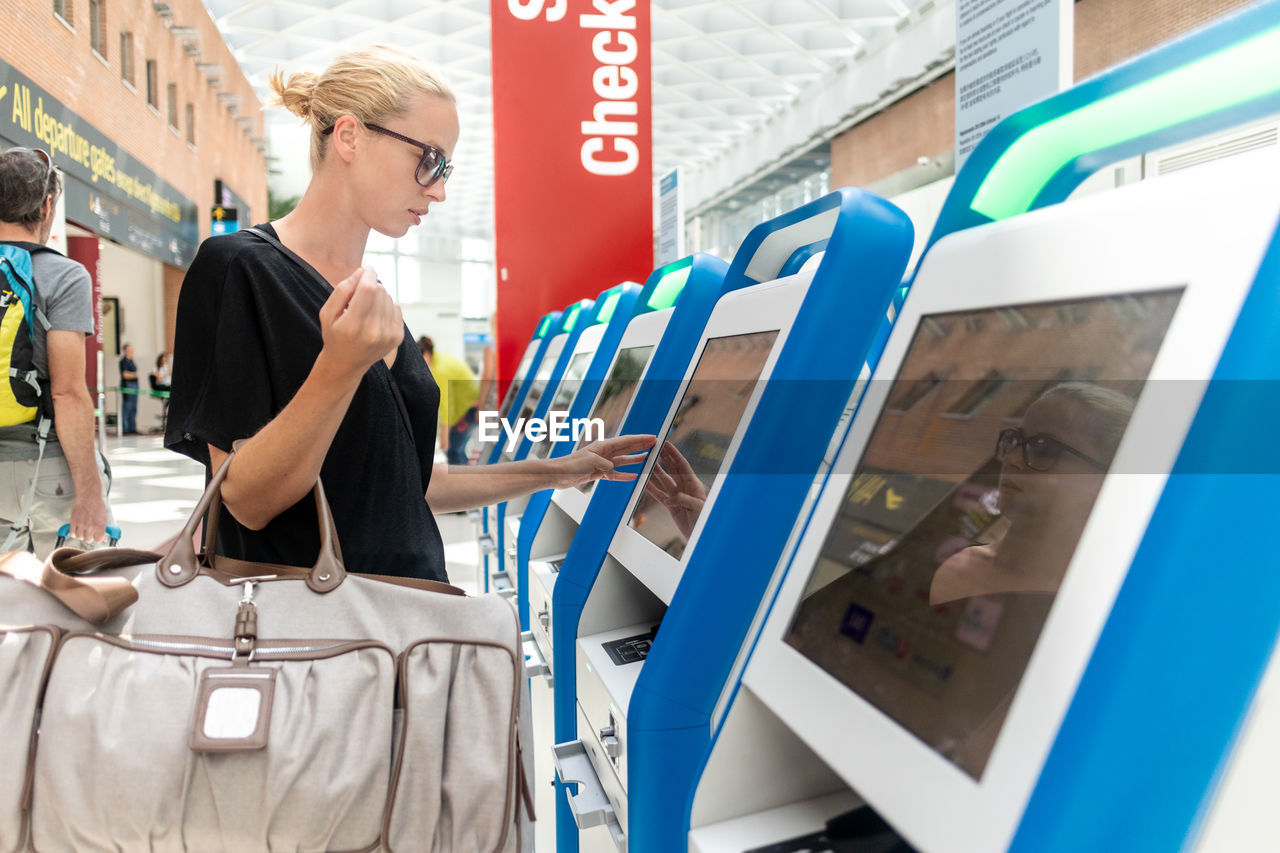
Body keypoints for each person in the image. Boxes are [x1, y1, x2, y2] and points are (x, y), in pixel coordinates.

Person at [165, 46, 654, 583]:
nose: (439, 189)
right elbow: (247, 501)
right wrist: (341, 366)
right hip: (312, 637)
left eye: (445, 167)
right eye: (429, 160)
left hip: (408, 622)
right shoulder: (239, 269)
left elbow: (411, 485)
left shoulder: (373, 302)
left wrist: (562, 470)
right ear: (349, 136)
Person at [930, 382, 1134, 605]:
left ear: (1104, 480)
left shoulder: (1098, 604)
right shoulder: (958, 568)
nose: (1012, 459)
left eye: (1044, 449)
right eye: (1014, 440)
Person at [0, 146, 111, 555]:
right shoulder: (63, 275)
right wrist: (90, 494)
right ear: (47, 206)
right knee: (77, 598)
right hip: (48, 465)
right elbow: (67, 392)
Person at [417, 335, 479, 465]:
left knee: (453, 450)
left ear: (427, 354)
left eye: (420, 358)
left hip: (470, 407)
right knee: (456, 450)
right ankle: (467, 479)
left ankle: (464, 483)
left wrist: (444, 437)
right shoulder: (440, 360)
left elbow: (446, 404)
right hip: (468, 406)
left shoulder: (440, 370)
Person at [119, 343, 139, 434]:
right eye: (130, 349)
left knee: (133, 408)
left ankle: (132, 428)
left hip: (135, 386)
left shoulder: (132, 361)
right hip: (127, 386)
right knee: (127, 407)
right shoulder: (123, 361)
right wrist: (133, 375)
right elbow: (125, 375)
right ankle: (125, 428)